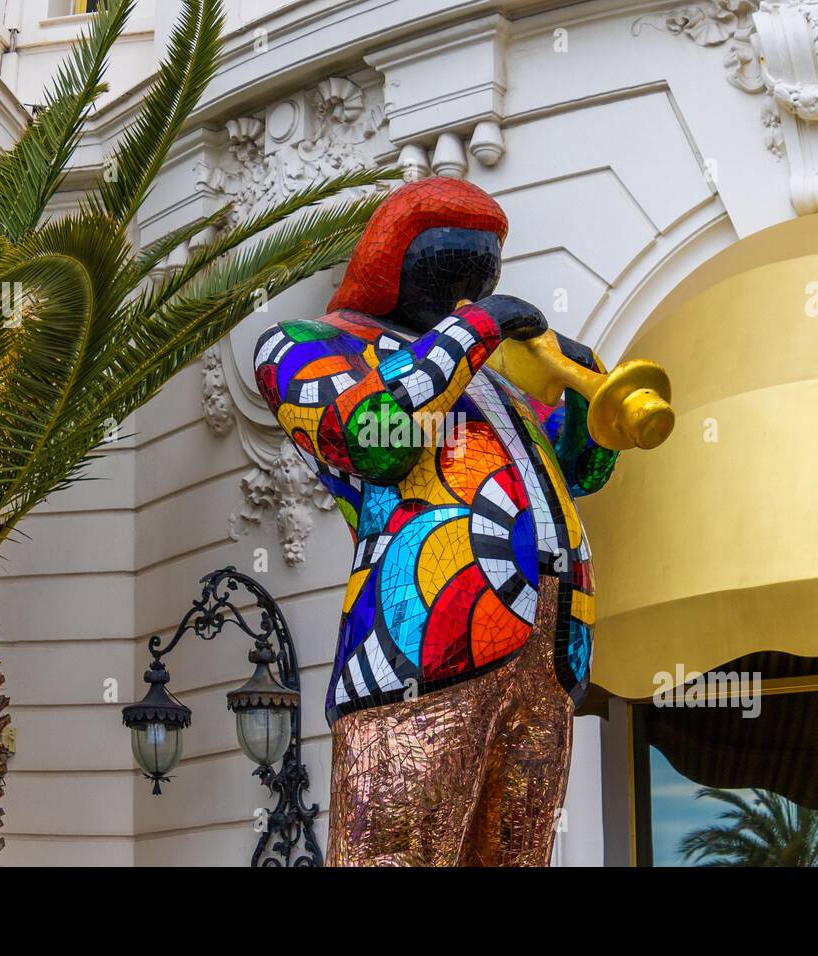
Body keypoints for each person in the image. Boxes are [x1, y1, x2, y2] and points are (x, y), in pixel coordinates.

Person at [253, 177, 621, 865]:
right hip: (420, 639)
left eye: (483, 275)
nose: (473, 287)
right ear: (393, 264)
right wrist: (475, 332)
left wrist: (591, 389)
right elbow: (369, 437)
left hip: (549, 654)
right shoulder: (305, 343)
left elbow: (583, 472)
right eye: (457, 270)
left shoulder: (495, 380)